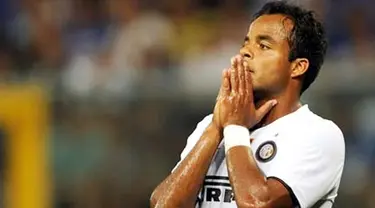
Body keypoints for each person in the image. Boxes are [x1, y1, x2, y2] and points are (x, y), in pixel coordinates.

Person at [150, 1, 345, 208]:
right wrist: (217, 128)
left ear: (297, 67)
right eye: (246, 43)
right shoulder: (211, 125)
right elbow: (163, 205)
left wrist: (234, 128)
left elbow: (257, 204)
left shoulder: (318, 134)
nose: (245, 52)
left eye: (264, 46)